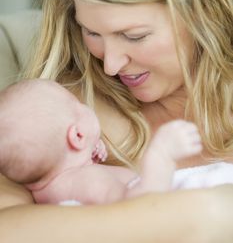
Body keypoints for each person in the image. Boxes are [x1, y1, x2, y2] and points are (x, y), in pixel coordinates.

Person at [1, 0, 233, 242]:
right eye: (92, 32)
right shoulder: (62, 118)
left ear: (203, 12)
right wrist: (205, 215)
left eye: (134, 35)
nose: (110, 65)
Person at [0, 79, 203, 205]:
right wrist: (161, 156)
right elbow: (139, 210)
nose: (85, 104)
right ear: (77, 136)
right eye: (78, 104)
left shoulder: (49, 187)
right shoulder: (87, 181)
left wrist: (86, 153)